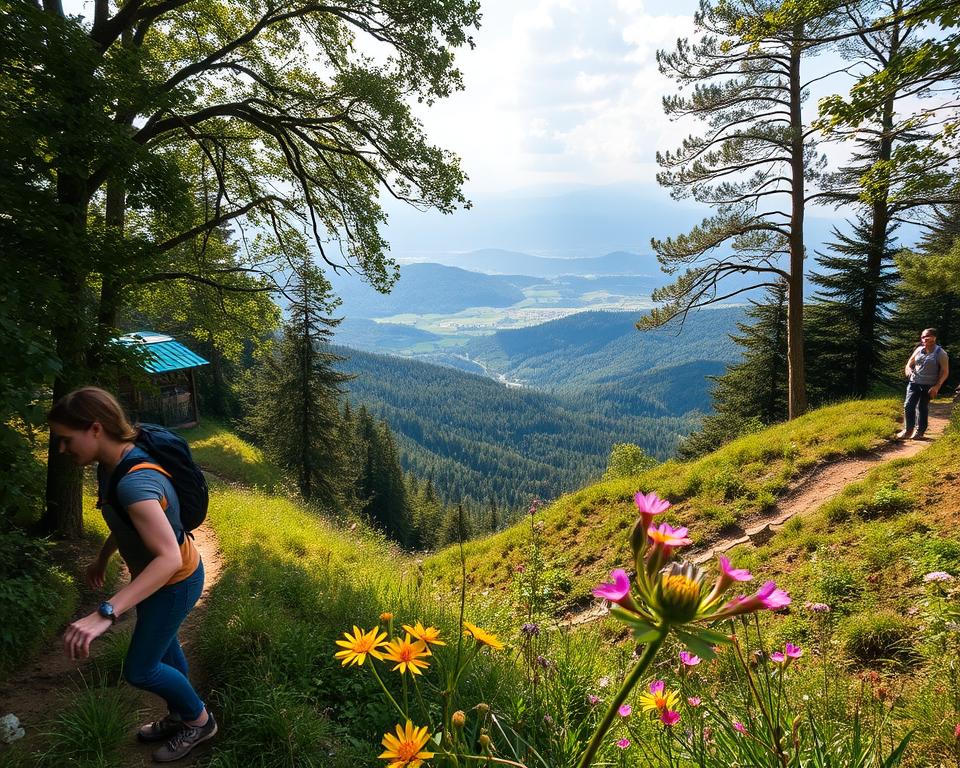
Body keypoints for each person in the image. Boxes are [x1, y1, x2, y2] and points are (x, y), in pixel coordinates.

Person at [48, 387, 217, 762]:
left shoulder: (133, 481)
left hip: (174, 582)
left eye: (66, 439)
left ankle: (199, 720)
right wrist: (103, 558)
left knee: (140, 669)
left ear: (95, 428)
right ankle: (181, 714)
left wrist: (106, 612)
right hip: (157, 581)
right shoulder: (112, 465)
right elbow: (129, 523)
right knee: (164, 647)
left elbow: (168, 558)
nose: (61, 449)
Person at [896, 328, 949, 440]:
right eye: (923, 337)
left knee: (921, 407)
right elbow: (909, 363)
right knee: (908, 405)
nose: (924, 339)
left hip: (929, 385)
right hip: (914, 383)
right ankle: (908, 430)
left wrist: (937, 386)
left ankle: (920, 431)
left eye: (927, 336)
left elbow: (945, 371)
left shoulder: (941, 353)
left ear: (934, 337)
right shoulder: (919, 349)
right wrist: (908, 370)